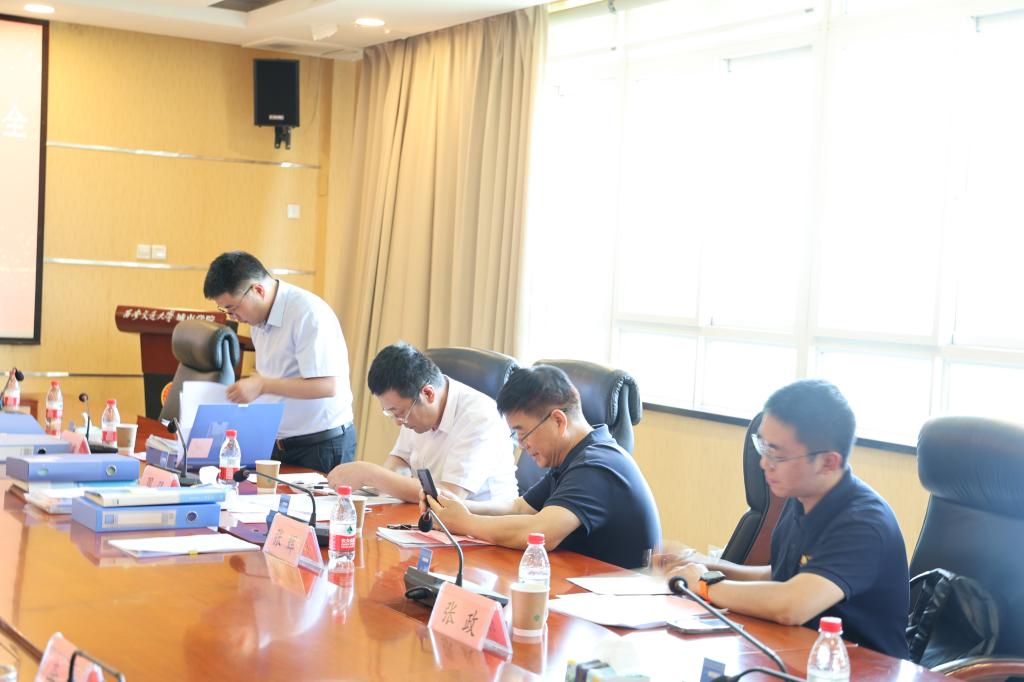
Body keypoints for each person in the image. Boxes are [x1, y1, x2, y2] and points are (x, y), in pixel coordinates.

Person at [666, 379, 910, 659]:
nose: (763, 463)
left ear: (828, 462)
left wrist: (703, 585)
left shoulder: (864, 523)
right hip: (798, 652)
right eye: (762, 446)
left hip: (857, 667)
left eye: (776, 455)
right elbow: (782, 575)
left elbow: (791, 605)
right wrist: (706, 565)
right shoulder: (800, 496)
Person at [424, 365, 661, 569]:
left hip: (619, 593)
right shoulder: (575, 456)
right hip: (582, 579)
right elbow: (520, 508)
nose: (522, 444)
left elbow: (541, 532)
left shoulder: (597, 465)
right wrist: (457, 508)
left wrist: (465, 522)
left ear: (558, 420)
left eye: (523, 433)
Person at [203, 251, 355, 473]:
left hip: (320, 445)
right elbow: (277, 378)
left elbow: (328, 386)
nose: (232, 317)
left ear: (258, 290)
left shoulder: (307, 314)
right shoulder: (257, 322)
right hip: (278, 443)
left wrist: (263, 385)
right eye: (225, 310)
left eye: (233, 308)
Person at [326, 342, 518, 503]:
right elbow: (401, 460)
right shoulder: (414, 409)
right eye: (391, 413)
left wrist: (371, 474)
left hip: (482, 527)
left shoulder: (479, 417)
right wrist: (375, 487)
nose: (398, 422)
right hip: (431, 517)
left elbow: (449, 496)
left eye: (399, 413)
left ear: (427, 393)